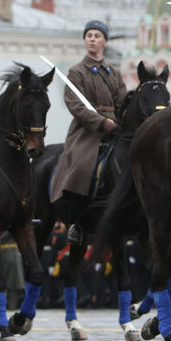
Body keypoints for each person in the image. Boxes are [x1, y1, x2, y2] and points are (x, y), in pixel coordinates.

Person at [49, 19, 127, 244]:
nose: (92, 39)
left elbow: (121, 101)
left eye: (96, 36)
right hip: (87, 130)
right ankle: (74, 221)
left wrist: (121, 120)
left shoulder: (114, 72)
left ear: (105, 41)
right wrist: (101, 122)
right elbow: (75, 104)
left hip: (115, 127)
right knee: (81, 165)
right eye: (89, 35)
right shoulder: (76, 71)